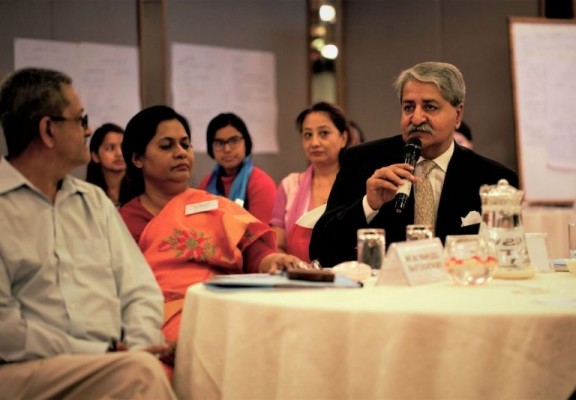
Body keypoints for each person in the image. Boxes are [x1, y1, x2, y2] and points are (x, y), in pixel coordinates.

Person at [0, 68, 176, 399]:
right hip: (22, 369)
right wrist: (101, 353)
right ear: (48, 130)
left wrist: (137, 345)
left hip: (110, 362)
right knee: (139, 376)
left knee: (152, 368)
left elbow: (139, 288)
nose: (88, 130)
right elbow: (6, 330)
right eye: (81, 119)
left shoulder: (93, 202)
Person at [119, 105, 305, 348]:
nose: (181, 153)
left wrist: (272, 260)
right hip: (161, 324)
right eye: (167, 146)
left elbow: (253, 249)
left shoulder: (214, 206)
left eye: (185, 145)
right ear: (137, 159)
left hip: (227, 309)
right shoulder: (123, 221)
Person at [310, 61, 519, 268]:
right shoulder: (363, 161)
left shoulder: (494, 179)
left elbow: (509, 259)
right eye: (409, 107)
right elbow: (319, 250)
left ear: (458, 115)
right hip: (384, 287)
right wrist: (368, 205)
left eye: (430, 107)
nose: (417, 118)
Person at [270, 101, 351, 262]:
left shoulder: (356, 184)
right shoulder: (289, 185)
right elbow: (278, 245)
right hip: (298, 273)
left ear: (343, 138)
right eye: (308, 135)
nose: (314, 143)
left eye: (323, 133)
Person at [198, 112, 276, 224]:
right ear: (211, 148)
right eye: (219, 143)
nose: (227, 149)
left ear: (246, 143)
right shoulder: (206, 183)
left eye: (234, 141)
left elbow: (261, 232)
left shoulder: (261, 183)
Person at [86, 122, 130, 206]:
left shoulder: (142, 191)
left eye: (123, 147)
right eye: (110, 148)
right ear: (95, 156)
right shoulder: (86, 195)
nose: (119, 154)